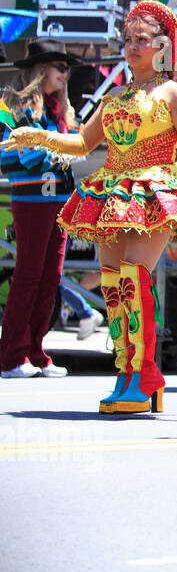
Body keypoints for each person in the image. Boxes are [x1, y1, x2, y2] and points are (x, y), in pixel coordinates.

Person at [2, 2, 177, 412]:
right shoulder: (116, 96)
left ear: (162, 46)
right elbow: (82, 144)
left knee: (134, 277)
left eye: (141, 40)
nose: (132, 47)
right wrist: (37, 136)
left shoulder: (173, 92)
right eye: (127, 40)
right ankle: (130, 372)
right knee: (111, 285)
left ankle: (142, 375)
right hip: (112, 193)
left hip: (154, 193)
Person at [0, 40, 81, 377]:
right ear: (40, 69)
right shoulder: (14, 106)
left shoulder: (60, 111)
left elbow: (73, 146)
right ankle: (11, 357)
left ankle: (36, 352)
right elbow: (8, 158)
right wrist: (53, 151)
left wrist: (66, 146)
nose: (66, 74)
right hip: (32, 201)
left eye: (67, 68)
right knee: (28, 277)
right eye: (59, 67)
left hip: (58, 201)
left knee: (51, 279)